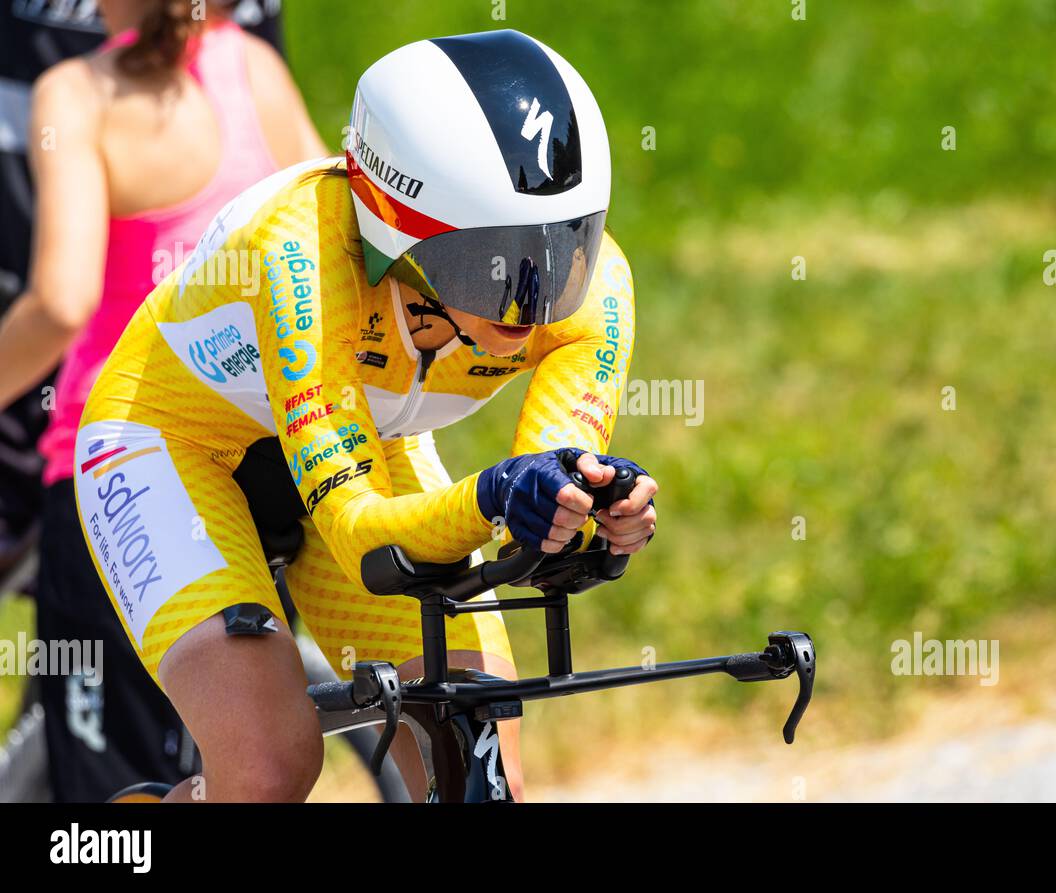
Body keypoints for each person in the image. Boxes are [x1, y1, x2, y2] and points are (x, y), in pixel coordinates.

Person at [72, 29, 658, 803]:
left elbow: (544, 495)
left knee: (481, 757)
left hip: (367, 440)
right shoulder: (304, 252)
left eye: (558, 246)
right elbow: (358, 531)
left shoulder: (596, 291)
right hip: (173, 440)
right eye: (492, 261)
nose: (532, 295)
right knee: (268, 766)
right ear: (397, 224)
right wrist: (489, 495)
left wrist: (589, 517)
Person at [0, 0, 324, 801]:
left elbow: (62, 301)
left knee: (112, 801)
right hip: (269, 470)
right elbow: (330, 249)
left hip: (123, 469)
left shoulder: (76, 94)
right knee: (241, 772)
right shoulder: (256, 70)